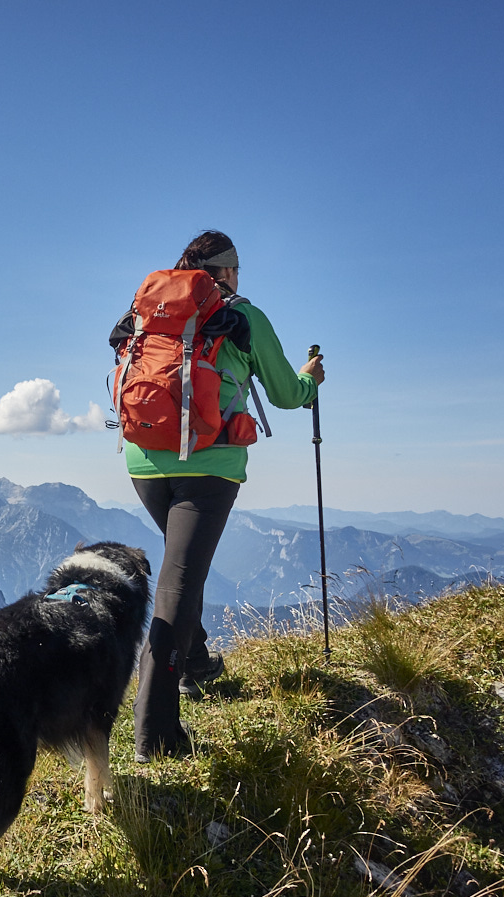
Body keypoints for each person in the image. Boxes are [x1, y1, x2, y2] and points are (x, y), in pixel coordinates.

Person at [113, 230, 325, 761]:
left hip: (143, 460)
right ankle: (155, 732)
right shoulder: (243, 315)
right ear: (227, 271)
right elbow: (285, 394)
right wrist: (311, 379)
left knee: (183, 567)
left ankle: (195, 663)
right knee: (179, 582)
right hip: (209, 464)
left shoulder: (150, 310)